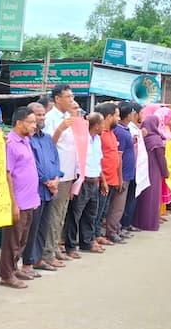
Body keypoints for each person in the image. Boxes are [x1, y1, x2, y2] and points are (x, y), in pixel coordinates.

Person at [0, 107, 40, 289]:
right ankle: (6, 274)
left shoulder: (26, 141)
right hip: (18, 201)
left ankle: (14, 268)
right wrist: (13, 203)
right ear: (19, 123)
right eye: (31, 122)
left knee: (22, 239)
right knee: (12, 240)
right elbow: (7, 174)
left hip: (30, 199)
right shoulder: (10, 143)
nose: (34, 125)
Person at [21, 102, 62, 275]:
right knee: (32, 228)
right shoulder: (27, 139)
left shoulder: (46, 139)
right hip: (35, 189)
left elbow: (55, 159)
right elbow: (33, 164)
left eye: (43, 115)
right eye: (38, 115)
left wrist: (57, 179)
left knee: (43, 226)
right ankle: (27, 263)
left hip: (50, 190)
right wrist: (47, 180)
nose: (42, 118)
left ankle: (38, 259)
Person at [43, 85, 78, 262]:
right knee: (54, 215)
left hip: (69, 172)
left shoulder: (67, 117)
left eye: (72, 97)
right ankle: (47, 253)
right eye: (68, 97)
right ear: (57, 98)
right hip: (58, 173)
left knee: (61, 214)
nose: (71, 100)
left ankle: (55, 248)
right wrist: (60, 129)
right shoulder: (51, 118)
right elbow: (49, 145)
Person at [65, 112, 106, 257]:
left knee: (90, 214)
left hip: (94, 180)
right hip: (82, 181)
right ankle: (70, 247)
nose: (104, 126)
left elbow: (98, 161)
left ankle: (86, 242)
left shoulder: (98, 140)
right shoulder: (82, 140)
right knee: (74, 215)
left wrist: (103, 180)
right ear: (95, 125)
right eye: (102, 124)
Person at [132, 115, 169, 231]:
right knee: (151, 198)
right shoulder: (156, 140)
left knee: (142, 196)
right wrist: (165, 172)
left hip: (142, 169)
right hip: (154, 171)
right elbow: (161, 158)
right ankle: (149, 223)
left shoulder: (143, 137)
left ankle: (137, 221)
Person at [93, 102, 122, 246]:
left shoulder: (111, 133)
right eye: (116, 115)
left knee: (103, 210)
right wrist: (103, 179)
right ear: (109, 116)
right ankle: (94, 236)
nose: (118, 118)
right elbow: (98, 158)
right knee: (97, 210)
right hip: (102, 179)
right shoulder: (101, 135)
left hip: (112, 178)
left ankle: (97, 234)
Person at [120, 102, 142, 233]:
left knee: (130, 199)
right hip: (124, 171)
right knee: (121, 202)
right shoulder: (122, 130)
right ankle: (120, 227)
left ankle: (125, 225)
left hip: (133, 169)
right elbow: (119, 154)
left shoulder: (130, 129)